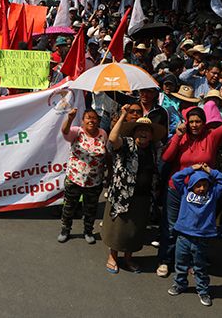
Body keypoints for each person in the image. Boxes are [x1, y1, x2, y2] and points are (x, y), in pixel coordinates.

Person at [157, 85, 222, 277]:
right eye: (191, 121)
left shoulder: (211, 136)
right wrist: (177, 135)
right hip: (177, 190)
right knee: (171, 225)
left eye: (198, 121)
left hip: (199, 192)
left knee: (194, 228)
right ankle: (166, 260)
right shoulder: (181, 137)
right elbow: (166, 157)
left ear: (204, 123)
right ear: (186, 122)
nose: (194, 125)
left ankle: (189, 261)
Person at [102, 106, 166, 274]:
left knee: (134, 231)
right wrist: (123, 115)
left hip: (143, 197)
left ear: (151, 135)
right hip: (122, 195)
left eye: (147, 131)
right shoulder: (127, 144)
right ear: (134, 133)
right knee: (118, 229)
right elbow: (113, 138)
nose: (143, 133)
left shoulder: (153, 149)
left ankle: (128, 258)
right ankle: (113, 257)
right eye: (140, 130)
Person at [167, 164, 222, 307]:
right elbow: (176, 177)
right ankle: (179, 284)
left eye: (204, 185)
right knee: (181, 263)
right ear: (191, 186)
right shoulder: (184, 191)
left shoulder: (213, 193)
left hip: (201, 237)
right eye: (198, 185)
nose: (202, 188)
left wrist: (209, 171)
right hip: (183, 235)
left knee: (199, 266)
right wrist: (192, 169)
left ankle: (203, 290)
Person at [58, 108, 108, 244]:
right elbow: (65, 132)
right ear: (83, 120)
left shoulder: (103, 133)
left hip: (95, 181)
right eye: (88, 118)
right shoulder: (77, 132)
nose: (91, 120)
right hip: (75, 178)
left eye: (94, 118)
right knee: (69, 207)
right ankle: (65, 229)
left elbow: (106, 153)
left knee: (91, 209)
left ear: (98, 121)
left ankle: (88, 231)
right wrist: (69, 118)